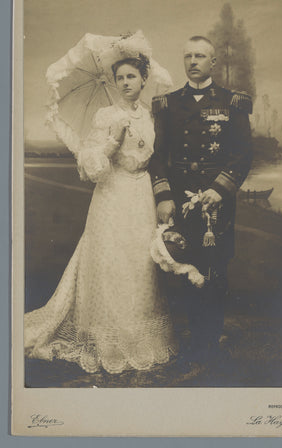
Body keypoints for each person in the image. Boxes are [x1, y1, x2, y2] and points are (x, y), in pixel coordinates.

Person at [24, 54, 177, 375]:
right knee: (111, 262)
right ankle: (107, 341)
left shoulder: (151, 116)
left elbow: (157, 156)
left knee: (140, 262)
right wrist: (112, 141)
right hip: (112, 194)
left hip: (141, 196)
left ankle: (137, 337)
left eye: (131, 77)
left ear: (143, 80)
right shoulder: (106, 115)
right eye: (120, 78)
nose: (125, 83)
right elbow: (89, 165)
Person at [149, 36, 253, 367]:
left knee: (215, 267)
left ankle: (210, 343)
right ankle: (194, 341)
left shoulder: (232, 102)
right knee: (185, 266)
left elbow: (243, 153)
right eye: (188, 56)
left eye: (200, 56)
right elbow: (158, 156)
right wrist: (163, 196)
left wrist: (220, 189)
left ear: (213, 62)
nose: (193, 61)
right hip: (180, 201)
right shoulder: (166, 104)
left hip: (216, 203)